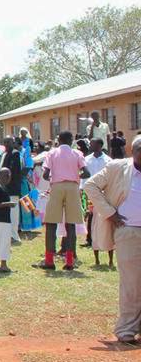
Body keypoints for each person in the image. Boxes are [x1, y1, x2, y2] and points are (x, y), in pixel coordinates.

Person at [83, 135, 141, 343]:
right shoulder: (118, 167)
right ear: (133, 152)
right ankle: (126, 330)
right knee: (132, 282)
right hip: (128, 231)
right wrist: (109, 213)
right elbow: (90, 186)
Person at [36, 132, 90, 271]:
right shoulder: (77, 153)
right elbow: (87, 173)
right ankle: (70, 261)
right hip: (72, 187)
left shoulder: (52, 153)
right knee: (70, 225)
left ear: (58, 140)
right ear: (71, 140)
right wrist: (75, 175)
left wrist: (55, 177)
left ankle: (49, 261)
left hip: (57, 186)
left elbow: (45, 174)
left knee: (51, 224)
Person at [84, 138, 114, 266]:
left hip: (104, 195)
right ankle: (91, 241)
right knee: (92, 221)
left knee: (107, 223)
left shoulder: (108, 160)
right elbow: (83, 176)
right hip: (90, 193)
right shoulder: (87, 159)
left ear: (100, 145)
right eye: (91, 144)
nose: (91, 145)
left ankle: (110, 254)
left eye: (94, 144)